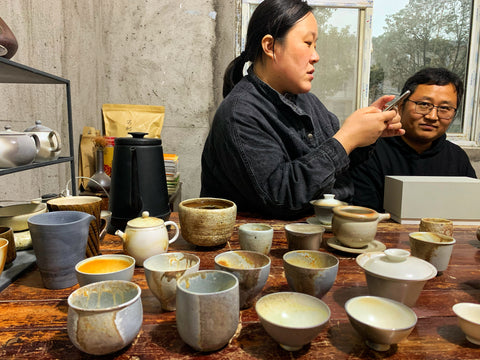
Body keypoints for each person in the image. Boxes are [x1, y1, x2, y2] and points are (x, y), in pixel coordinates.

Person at [200, 0, 403, 219]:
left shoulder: (309, 102)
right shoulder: (240, 114)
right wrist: (347, 138)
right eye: (307, 43)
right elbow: (282, 197)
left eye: (315, 45)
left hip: (325, 233)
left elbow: (334, 168)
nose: (316, 56)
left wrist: (365, 136)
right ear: (270, 46)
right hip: (263, 246)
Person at [351, 67, 477, 212]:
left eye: (444, 108)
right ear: (400, 104)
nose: (432, 116)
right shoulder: (368, 152)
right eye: (424, 104)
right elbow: (361, 217)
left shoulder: (457, 158)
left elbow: (470, 214)